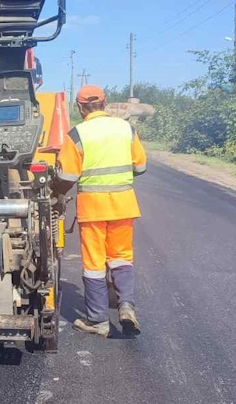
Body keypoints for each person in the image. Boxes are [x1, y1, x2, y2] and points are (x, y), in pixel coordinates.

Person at [55, 85, 147, 337]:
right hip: (124, 204)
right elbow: (140, 167)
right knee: (121, 257)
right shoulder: (126, 129)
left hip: (93, 208)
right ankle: (126, 306)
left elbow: (67, 175)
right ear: (105, 103)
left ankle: (98, 321)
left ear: (80, 107)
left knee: (95, 263)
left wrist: (57, 193)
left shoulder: (77, 134)